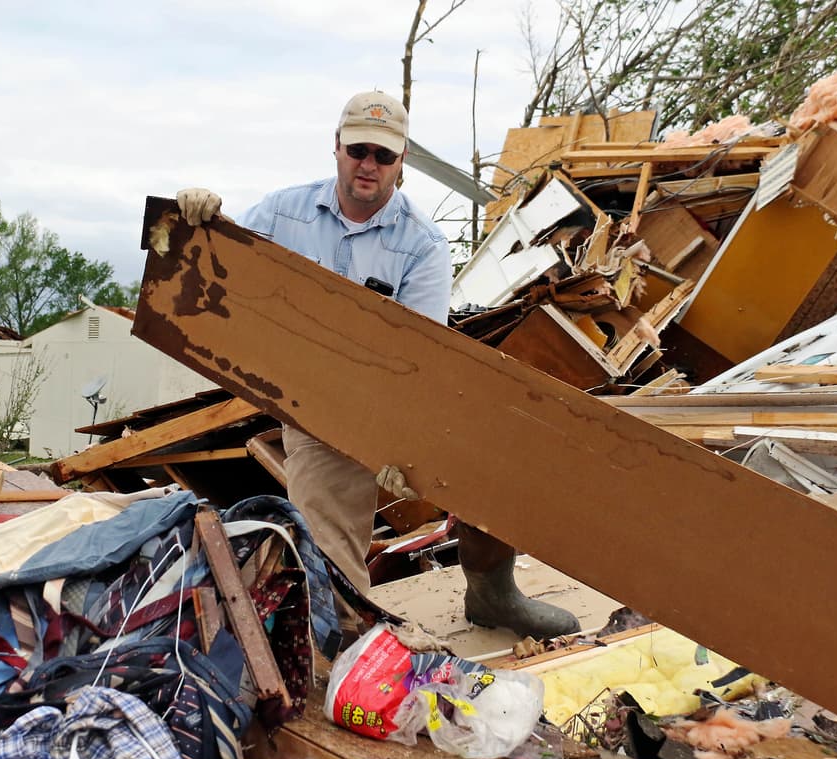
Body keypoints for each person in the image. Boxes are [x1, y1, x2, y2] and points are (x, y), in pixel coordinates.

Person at [177, 90, 578, 640]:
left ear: (402, 161)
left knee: (496, 455)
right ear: (336, 148)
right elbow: (223, 268)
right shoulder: (279, 212)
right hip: (316, 403)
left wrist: (402, 444)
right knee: (329, 524)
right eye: (358, 150)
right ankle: (343, 634)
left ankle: (493, 592)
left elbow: (421, 363)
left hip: (399, 394)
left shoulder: (423, 243)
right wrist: (203, 219)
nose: (369, 165)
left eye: (383, 156)